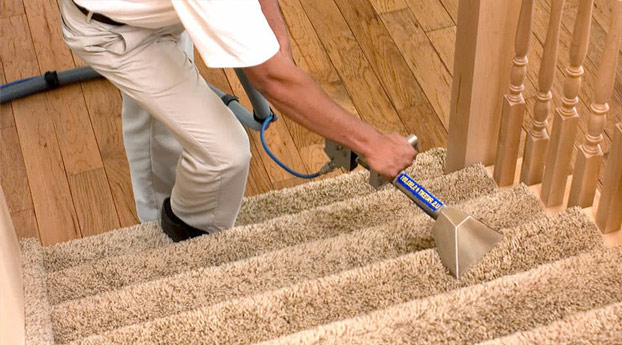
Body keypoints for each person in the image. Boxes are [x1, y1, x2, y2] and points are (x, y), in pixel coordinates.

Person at [59, 0, 418, 242]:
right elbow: (272, 79)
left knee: (162, 113)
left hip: (146, 11)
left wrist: (274, 32)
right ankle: (184, 242)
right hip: (114, 32)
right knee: (224, 154)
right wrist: (373, 144)